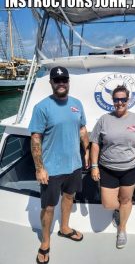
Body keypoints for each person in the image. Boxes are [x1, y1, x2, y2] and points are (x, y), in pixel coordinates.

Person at [29, 66, 89, 264]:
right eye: (57, 80)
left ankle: (64, 228)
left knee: (69, 197)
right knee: (48, 207)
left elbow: (82, 129)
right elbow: (36, 138)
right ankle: (45, 243)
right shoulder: (42, 107)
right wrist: (40, 168)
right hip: (52, 169)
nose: (61, 83)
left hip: (74, 165)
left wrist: (87, 151)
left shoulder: (77, 104)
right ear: (51, 83)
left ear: (69, 81)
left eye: (64, 79)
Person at [90, 85, 135, 249]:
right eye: (116, 99)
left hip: (131, 168)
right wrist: (94, 166)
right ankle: (124, 208)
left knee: (125, 199)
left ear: (128, 100)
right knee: (108, 204)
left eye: (123, 99)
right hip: (107, 168)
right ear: (113, 101)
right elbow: (95, 143)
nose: (119, 102)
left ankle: (122, 228)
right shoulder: (104, 119)